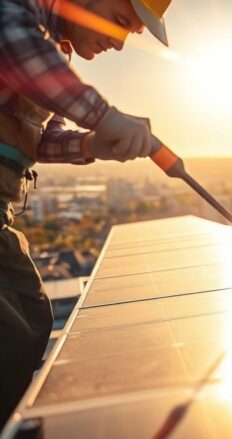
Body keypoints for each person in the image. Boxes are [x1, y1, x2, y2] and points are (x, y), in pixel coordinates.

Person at [0, 0, 173, 426]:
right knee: (9, 335)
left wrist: (91, 145)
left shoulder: (57, 53)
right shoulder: (17, 12)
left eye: (129, 33)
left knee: (31, 316)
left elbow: (38, 138)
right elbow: (15, 42)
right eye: (119, 21)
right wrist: (105, 117)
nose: (119, 43)